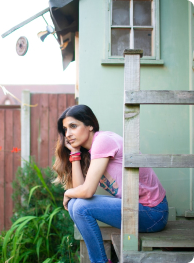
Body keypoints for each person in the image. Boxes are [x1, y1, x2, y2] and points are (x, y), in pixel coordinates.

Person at [53, 105, 168, 263]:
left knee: (79, 206)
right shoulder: (92, 151)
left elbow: (86, 192)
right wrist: (75, 153)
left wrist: (67, 193)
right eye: (65, 129)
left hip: (153, 213)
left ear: (90, 125)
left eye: (73, 126)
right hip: (136, 210)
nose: (68, 134)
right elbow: (79, 190)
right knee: (75, 204)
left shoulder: (103, 141)